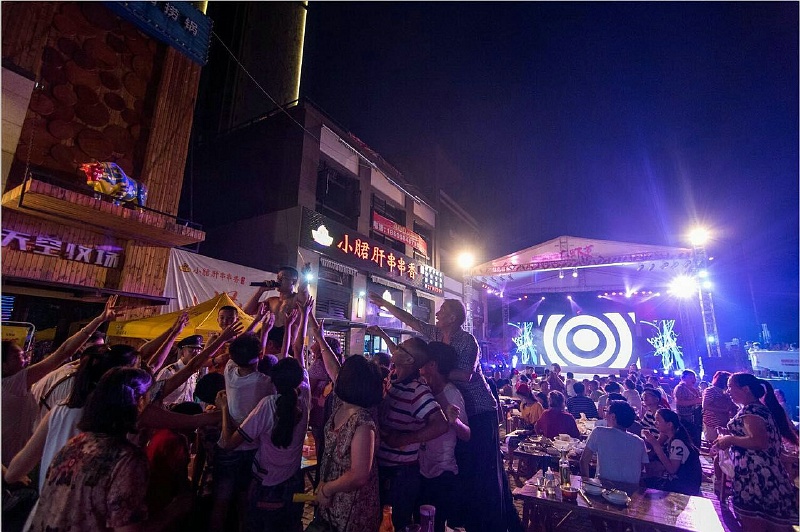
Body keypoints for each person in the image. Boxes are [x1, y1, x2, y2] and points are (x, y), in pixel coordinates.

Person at [368, 295, 520, 532]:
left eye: (442, 311)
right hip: (454, 403)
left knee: (482, 469)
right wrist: (385, 304)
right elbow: (412, 321)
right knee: (462, 467)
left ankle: (491, 522)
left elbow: (467, 375)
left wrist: (432, 372)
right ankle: (462, 518)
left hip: (479, 409)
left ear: (453, 317)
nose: (437, 314)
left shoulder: (467, 341)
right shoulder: (437, 334)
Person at [28, 367, 189, 531]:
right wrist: (176, 508)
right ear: (140, 403)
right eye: (151, 401)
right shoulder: (127, 461)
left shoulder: (76, 443)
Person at [217, 309, 310, 531]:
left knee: (255, 522)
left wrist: (224, 408)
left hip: (265, 482)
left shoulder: (267, 403)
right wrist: (300, 320)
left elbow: (229, 443)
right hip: (294, 482)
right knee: (291, 524)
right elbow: (295, 351)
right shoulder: (304, 398)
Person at [2, 296, 119, 467]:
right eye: (17, 356)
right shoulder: (13, 383)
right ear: (3, 366)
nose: (25, 358)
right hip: (10, 465)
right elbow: (64, 351)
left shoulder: (11, 385)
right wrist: (98, 320)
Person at [367, 328, 448, 530]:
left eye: (401, 347)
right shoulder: (394, 378)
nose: (395, 348)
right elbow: (397, 351)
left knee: (394, 524)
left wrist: (403, 439)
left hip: (400, 475)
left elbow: (441, 424)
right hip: (383, 467)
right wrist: (382, 334)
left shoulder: (417, 390)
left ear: (409, 360)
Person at [309, 313, 383, 532]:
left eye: (343, 374)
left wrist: (327, 489)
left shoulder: (363, 422)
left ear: (350, 382)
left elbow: (359, 475)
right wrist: (319, 337)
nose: (337, 375)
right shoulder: (341, 402)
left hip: (352, 507)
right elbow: (332, 365)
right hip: (331, 501)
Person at [713, 372, 798, 531]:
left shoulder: (752, 411)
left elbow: (759, 441)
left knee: (755, 525)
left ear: (745, 389)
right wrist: (730, 435)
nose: (727, 391)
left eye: (730, 387)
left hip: (756, 478)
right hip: (764, 475)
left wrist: (730, 439)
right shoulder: (757, 409)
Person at [210, 333, 275, 532]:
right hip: (251, 448)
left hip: (226, 447)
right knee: (245, 501)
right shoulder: (263, 382)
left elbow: (240, 354)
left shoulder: (229, 371)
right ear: (260, 354)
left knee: (221, 501)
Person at [418, 342, 471, 532]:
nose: (419, 365)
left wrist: (454, 421)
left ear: (432, 365)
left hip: (442, 471)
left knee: (435, 524)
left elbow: (466, 434)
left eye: (423, 361)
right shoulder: (424, 389)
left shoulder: (452, 393)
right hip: (421, 467)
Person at [580, 401, 648, 486]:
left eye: (606, 411)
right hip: (631, 490)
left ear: (613, 417)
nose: (605, 415)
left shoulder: (599, 432)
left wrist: (587, 484)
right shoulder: (639, 442)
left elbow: (583, 461)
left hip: (605, 488)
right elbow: (641, 467)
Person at [243, 265, 311, 349]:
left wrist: (304, 275)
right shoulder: (271, 300)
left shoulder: (297, 299)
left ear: (293, 281)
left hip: (288, 347)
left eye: (283, 278)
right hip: (268, 346)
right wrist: (260, 291)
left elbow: (302, 290)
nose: (279, 280)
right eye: (278, 278)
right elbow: (248, 310)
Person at [642, 409, 702, 495]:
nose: (655, 423)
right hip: (682, 483)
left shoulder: (677, 442)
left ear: (669, 424)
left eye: (658, 421)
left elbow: (672, 469)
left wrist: (655, 444)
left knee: (644, 485)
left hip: (685, 486)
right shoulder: (672, 438)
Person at [702, 371, 737, 443]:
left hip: (724, 422)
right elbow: (705, 405)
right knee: (712, 442)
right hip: (712, 423)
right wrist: (723, 410)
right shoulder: (711, 390)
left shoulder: (727, 391)